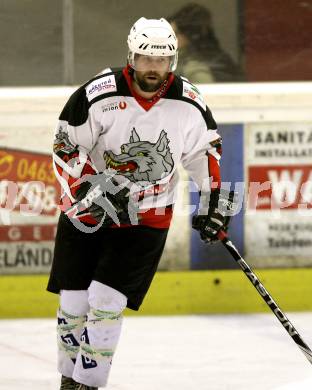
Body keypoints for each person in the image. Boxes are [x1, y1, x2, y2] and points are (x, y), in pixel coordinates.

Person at [47, 17, 231, 390]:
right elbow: (66, 144)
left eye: (161, 59)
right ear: (131, 56)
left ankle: (87, 383)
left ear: (173, 60)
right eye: (145, 58)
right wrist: (89, 188)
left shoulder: (189, 103)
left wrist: (213, 202)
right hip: (88, 214)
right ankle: (68, 378)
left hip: (147, 217)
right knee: (74, 303)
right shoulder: (99, 93)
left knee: (105, 302)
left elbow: (204, 152)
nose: (152, 67)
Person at [168, 3, 244, 83]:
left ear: (188, 36)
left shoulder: (196, 67)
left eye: (175, 34)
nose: (169, 39)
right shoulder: (175, 59)